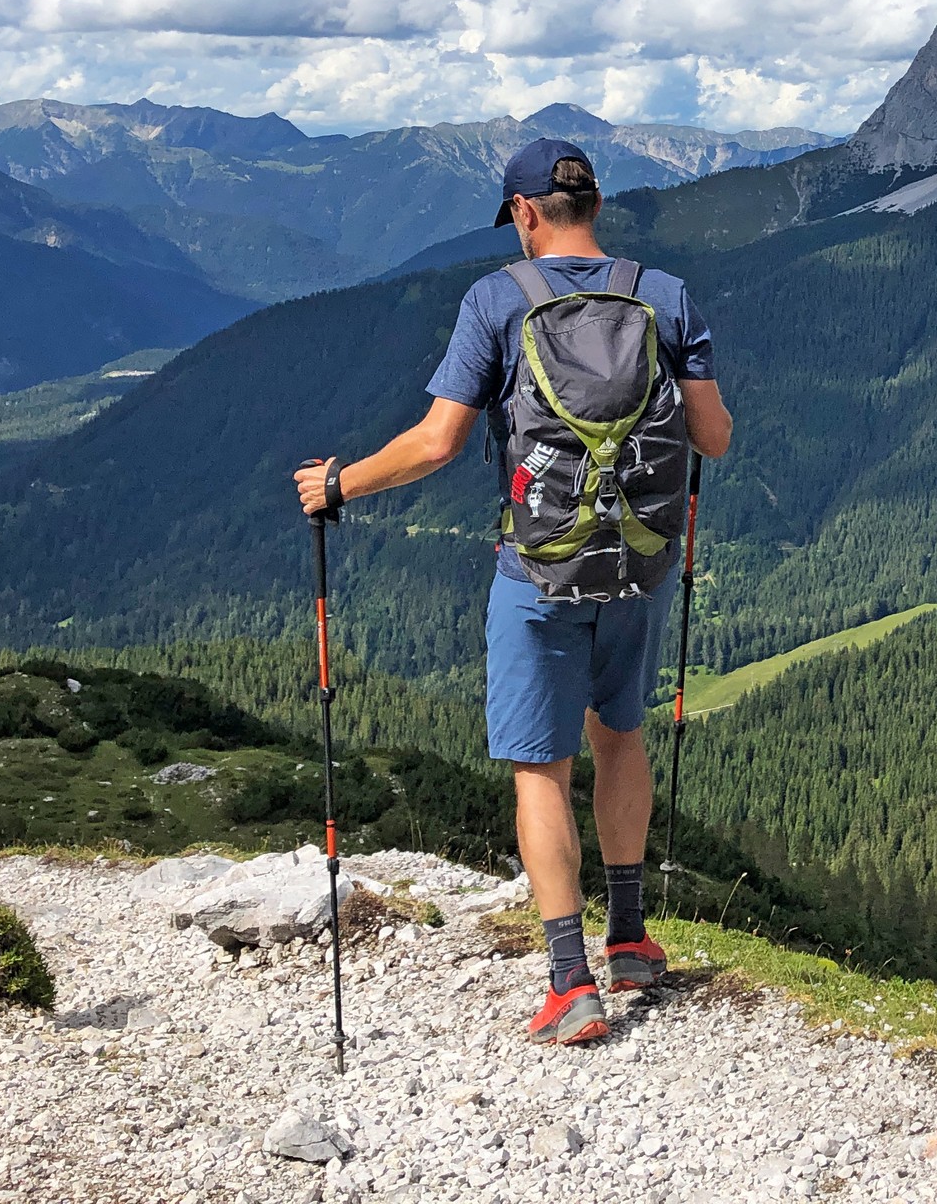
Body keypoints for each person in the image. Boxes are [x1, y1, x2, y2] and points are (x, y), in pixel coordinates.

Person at [293, 137, 733, 1046]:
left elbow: (437, 442)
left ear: (526, 214)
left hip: (540, 571)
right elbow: (715, 438)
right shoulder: (665, 295)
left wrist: (338, 484)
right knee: (622, 738)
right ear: (595, 206)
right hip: (640, 564)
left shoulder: (498, 300)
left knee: (542, 766)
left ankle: (570, 982)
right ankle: (632, 937)